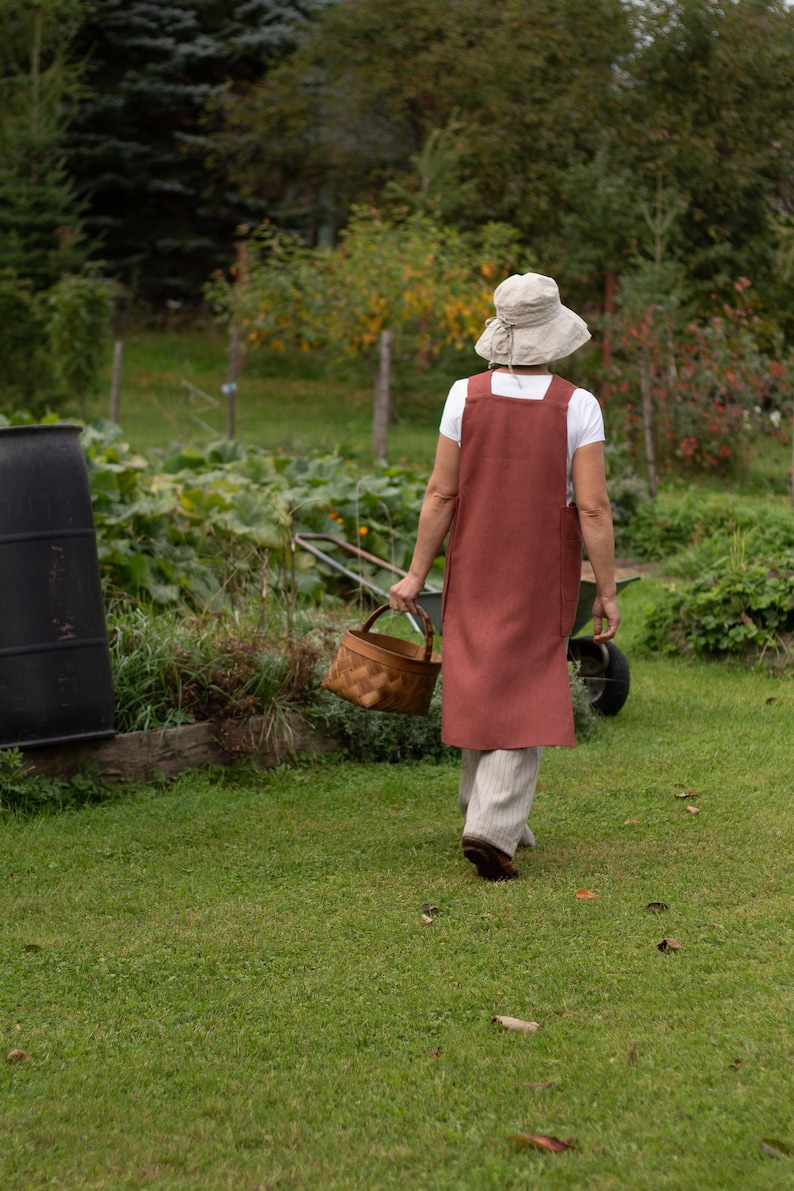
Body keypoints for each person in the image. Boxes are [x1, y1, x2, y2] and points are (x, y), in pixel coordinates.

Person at [389, 272, 620, 881]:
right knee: (530, 684)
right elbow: (593, 507)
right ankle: (492, 827)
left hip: (476, 562)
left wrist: (416, 575)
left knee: (484, 673)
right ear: (553, 335)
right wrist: (608, 589)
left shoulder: (463, 395)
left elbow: (441, 493)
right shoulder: (579, 405)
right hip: (541, 567)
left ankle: (487, 811)